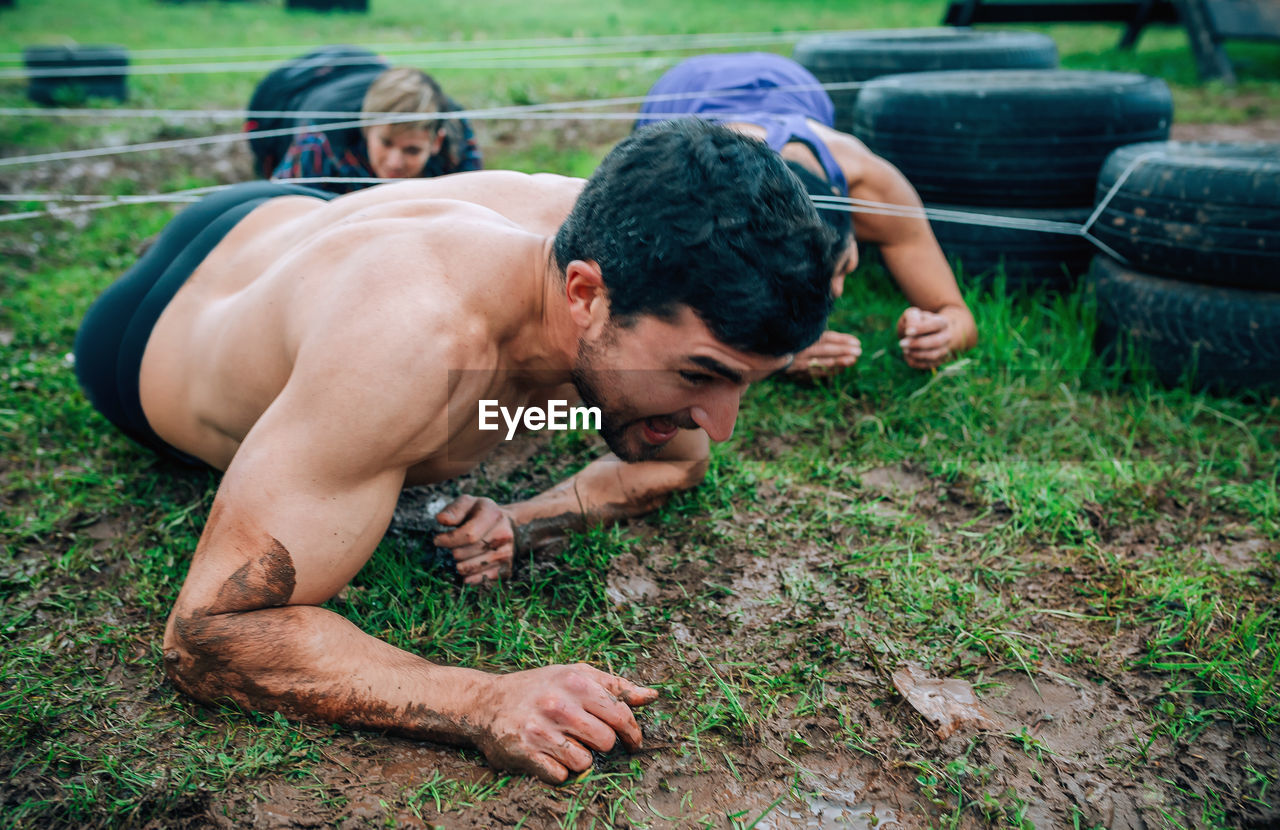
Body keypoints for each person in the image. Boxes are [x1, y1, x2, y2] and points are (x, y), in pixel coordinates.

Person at [72, 120, 837, 784]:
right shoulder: (408, 344)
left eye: (743, 383)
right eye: (703, 375)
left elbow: (680, 461)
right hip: (146, 335)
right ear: (583, 295)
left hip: (296, 219)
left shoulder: (633, 234)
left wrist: (526, 518)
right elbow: (209, 634)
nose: (723, 423)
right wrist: (480, 699)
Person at [637, 52, 978, 374]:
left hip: (785, 78)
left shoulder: (876, 186)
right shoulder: (695, 200)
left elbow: (958, 314)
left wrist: (945, 332)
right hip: (685, 87)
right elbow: (658, 329)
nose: (838, 291)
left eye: (845, 265)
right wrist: (774, 357)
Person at [244, 45, 482, 193]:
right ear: (367, 129)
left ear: (436, 143)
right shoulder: (320, 140)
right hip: (295, 95)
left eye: (412, 150)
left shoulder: (457, 138)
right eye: (386, 143)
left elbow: (473, 208)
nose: (395, 162)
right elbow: (283, 208)